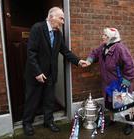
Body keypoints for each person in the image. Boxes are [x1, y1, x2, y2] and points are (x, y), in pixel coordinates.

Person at [22, 7, 87, 136]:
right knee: (32, 99)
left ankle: (49, 121)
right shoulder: (37, 28)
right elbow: (31, 53)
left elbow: (65, 51)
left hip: (51, 73)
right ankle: (27, 123)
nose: (63, 22)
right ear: (51, 17)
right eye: (61, 18)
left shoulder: (58, 34)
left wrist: (78, 61)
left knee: (49, 99)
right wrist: (37, 72)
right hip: (36, 73)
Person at [83, 27, 134, 135]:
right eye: (103, 35)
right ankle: (113, 120)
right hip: (107, 83)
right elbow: (94, 53)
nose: (102, 37)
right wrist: (89, 60)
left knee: (124, 104)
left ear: (112, 37)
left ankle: (129, 124)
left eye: (105, 36)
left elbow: (130, 66)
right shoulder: (103, 47)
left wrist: (126, 83)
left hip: (119, 82)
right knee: (110, 103)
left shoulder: (120, 48)